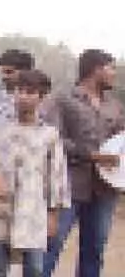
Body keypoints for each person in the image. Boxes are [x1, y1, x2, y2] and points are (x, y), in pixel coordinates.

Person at [0, 69, 68, 277]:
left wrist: (53, 215)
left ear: (41, 97)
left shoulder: (49, 135)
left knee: (34, 269)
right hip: (0, 211)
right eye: (19, 90)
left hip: (33, 212)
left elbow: (57, 176)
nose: (23, 96)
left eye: (30, 92)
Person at [41, 49, 124, 277]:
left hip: (105, 190)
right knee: (51, 245)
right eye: (110, 68)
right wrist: (90, 155)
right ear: (96, 69)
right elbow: (50, 137)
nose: (113, 74)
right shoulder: (63, 99)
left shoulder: (115, 106)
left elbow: (121, 143)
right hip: (68, 186)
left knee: (94, 250)